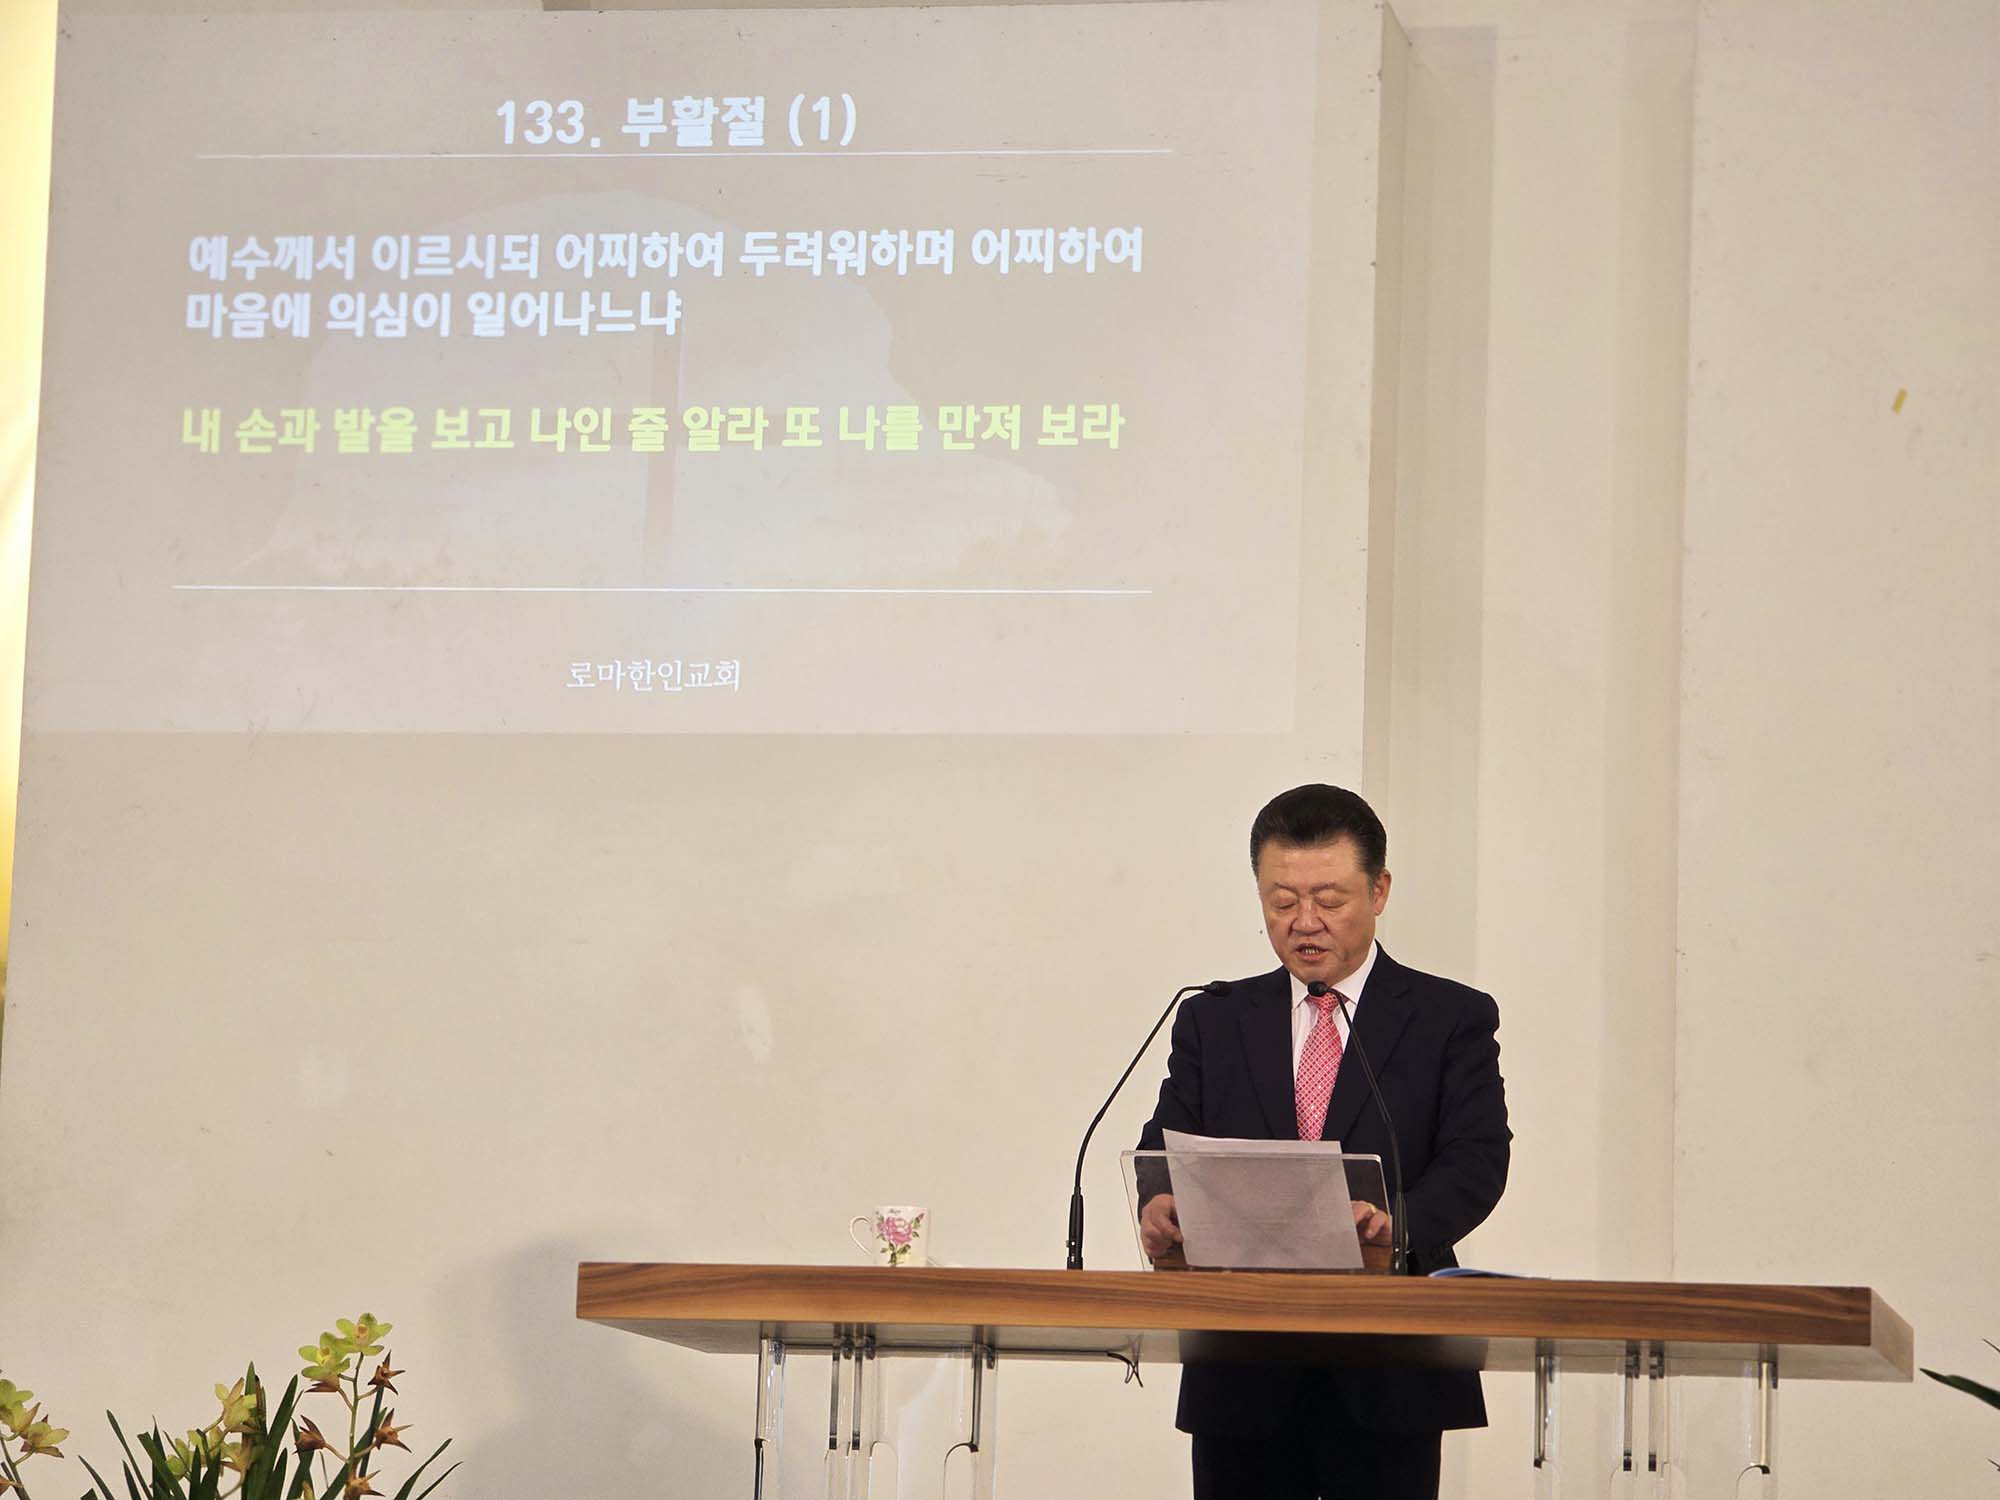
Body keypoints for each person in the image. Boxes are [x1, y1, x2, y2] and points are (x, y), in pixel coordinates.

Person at [1136, 784, 1510, 1500]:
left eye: (1330, 900)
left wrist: (1397, 1224)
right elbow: (1166, 1147)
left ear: (1379, 890)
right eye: (1282, 901)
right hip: (1241, 1367)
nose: (1305, 922)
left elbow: (1477, 1160)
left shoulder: (1449, 1017)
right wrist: (1158, 1201)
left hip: (1388, 1367)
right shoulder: (1213, 1018)